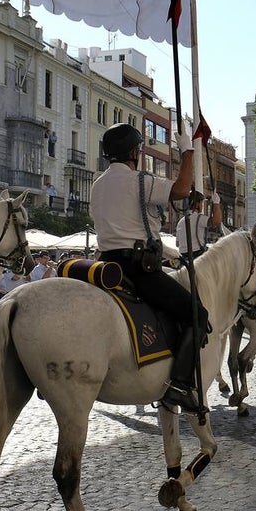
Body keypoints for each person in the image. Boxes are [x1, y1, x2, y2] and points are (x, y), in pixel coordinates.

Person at [90, 122, 206, 413]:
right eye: (139, 149)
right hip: (137, 267)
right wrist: (188, 151)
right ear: (134, 151)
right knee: (197, 314)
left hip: (104, 265)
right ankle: (179, 385)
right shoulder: (141, 181)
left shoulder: (97, 184)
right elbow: (181, 189)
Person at [175, 189, 222, 260]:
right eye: (201, 203)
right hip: (197, 256)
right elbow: (217, 221)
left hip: (183, 257)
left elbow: (177, 244)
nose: (202, 206)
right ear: (197, 204)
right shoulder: (199, 218)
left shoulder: (180, 221)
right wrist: (216, 203)